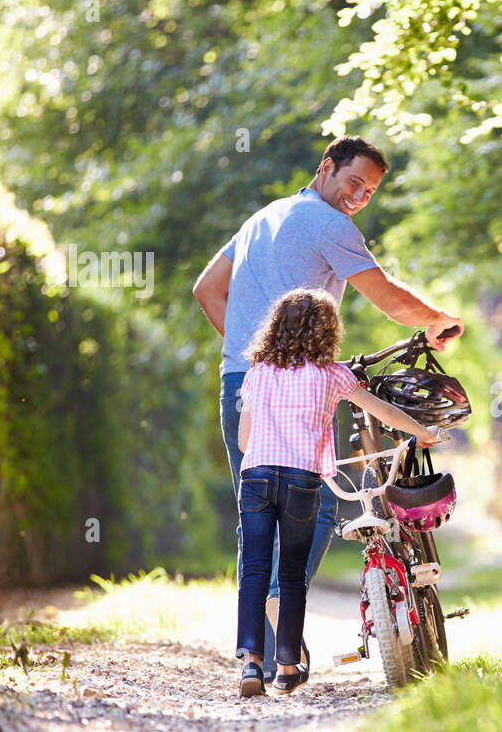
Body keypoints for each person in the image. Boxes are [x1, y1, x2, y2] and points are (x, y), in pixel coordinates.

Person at [192, 135, 462, 684]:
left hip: (241, 382)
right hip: (303, 388)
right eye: (353, 182)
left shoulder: (263, 216)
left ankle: (264, 658)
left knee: (257, 511)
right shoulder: (329, 225)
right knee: (311, 505)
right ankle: (277, 610)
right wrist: (437, 319)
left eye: (369, 192)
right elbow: (387, 298)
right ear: (326, 167)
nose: (358, 197)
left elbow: (206, 289)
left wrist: (258, 354)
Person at [236, 288, 441, 697]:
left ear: (275, 328)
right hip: (301, 480)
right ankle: (288, 666)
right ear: (327, 331)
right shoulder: (332, 375)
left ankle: (250, 666)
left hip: (255, 478)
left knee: (255, 571)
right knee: (291, 576)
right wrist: (424, 433)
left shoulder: (257, 372)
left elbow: (245, 441)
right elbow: (382, 412)